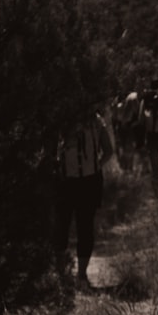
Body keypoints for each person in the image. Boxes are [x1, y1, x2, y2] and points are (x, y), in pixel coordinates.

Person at [54, 103, 114, 290]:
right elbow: (108, 150)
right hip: (83, 181)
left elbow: (108, 150)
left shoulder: (69, 121)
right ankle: (78, 276)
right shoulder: (94, 121)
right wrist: (94, 166)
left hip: (72, 181)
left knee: (66, 226)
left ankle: (68, 276)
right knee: (80, 227)